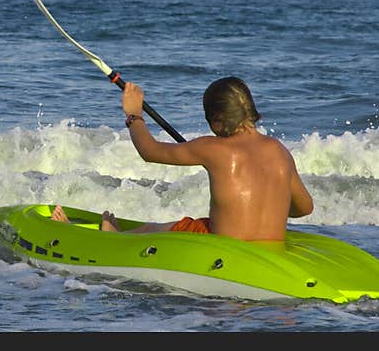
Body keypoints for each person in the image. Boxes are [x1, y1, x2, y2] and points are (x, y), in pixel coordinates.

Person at [51, 77, 314, 241]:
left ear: (219, 121)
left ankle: (112, 239)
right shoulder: (280, 152)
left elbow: (150, 151)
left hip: (222, 244)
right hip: (269, 247)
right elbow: (304, 208)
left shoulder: (214, 148)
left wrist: (134, 115)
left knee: (157, 229)